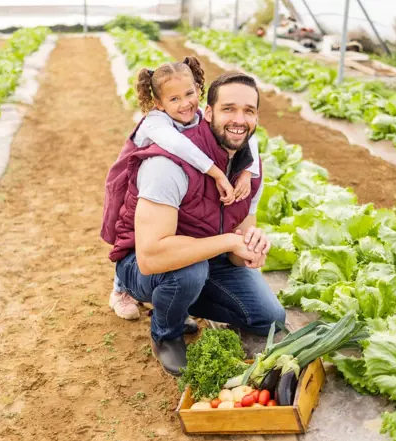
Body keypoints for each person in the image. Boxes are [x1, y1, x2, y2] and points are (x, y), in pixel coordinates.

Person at [101, 71, 286, 376]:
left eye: (248, 111)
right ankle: (166, 332)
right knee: (188, 272)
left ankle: (179, 301)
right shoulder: (167, 165)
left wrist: (250, 247)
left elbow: (236, 251)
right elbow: (150, 258)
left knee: (269, 318)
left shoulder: (251, 170)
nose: (238, 119)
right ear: (208, 112)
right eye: (229, 109)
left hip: (205, 256)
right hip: (143, 263)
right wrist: (228, 241)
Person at [106, 57, 260, 321]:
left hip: (172, 196)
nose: (185, 103)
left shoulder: (201, 116)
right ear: (158, 104)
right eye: (174, 99)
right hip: (134, 179)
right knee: (131, 227)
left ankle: (178, 295)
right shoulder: (154, 123)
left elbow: (249, 138)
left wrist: (247, 171)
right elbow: (181, 147)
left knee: (180, 243)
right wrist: (217, 173)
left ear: (199, 89)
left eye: (189, 94)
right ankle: (122, 287)